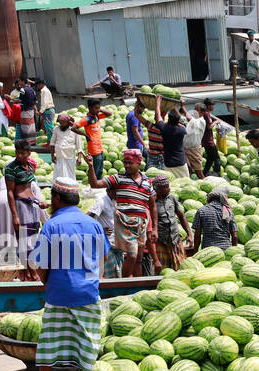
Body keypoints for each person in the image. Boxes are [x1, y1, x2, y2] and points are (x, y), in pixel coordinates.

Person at [25, 178, 109, 371]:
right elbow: (104, 256)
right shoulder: (93, 224)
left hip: (59, 291)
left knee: (50, 337)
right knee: (88, 336)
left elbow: (41, 264)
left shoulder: (52, 225)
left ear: (57, 198)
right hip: (88, 292)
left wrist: (47, 283)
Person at [88, 148, 158, 277]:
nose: (126, 165)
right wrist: (91, 166)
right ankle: (123, 283)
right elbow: (95, 184)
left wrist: (154, 228)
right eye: (125, 162)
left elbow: (153, 206)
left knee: (139, 258)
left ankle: (137, 285)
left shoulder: (148, 182)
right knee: (131, 256)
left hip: (141, 224)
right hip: (124, 222)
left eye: (130, 163)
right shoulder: (118, 178)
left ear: (138, 163)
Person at [5, 140, 44, 277]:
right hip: (21, 205)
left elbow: (30, 189)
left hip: (32, 204)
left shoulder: (30, 167)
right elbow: (10, 192)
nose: (19, 155)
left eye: (22, 153)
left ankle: (30, 269)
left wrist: (39, 202)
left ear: (29, 153)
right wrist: (15, 215)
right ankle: (28, 271)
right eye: (17, 152)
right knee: (23, 239)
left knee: (33, 238)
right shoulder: (11, 168)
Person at [151, 175, 188, 272]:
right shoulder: (152, 202)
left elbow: (181, 216)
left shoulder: (172, 198)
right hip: (162, 242)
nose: (169, 188)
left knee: (180, 270)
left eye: (168, 185)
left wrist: (189, 234)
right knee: (164, 271)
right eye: (166, 187)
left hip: (175, 240)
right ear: (158, 189)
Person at [190, 188, 238, 253]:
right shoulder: (228, 212)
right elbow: (234, 236)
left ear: (210, 198)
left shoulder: (202, 211)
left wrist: (196, 251)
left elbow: (197, 235)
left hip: (208, 251)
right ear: (223, 199)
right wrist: (232, 252)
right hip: (226, 250)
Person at [42, 113, 82, 186]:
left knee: (70, 176)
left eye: (63, 123)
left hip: (70, 158)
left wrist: (79, 157)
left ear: (68, 122)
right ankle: (58, 190)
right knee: (58, 176)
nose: (62, 125)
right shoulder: (56, 129)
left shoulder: (75, 130)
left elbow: (79, 145)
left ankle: (70, 190)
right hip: (59, 157)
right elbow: (52, 143)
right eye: (60, 123)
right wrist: (52, 156)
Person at [184, 106, 206, 178]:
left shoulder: (201, 121)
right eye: (194, 109)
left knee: (198, 172)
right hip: (185, 149)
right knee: (187, 170)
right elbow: (183, 119)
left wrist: (182, 106)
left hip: (194, 150)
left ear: (202, 113)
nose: (194, 111)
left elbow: (189, 118)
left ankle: (204, 183)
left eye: (197, 110)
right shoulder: (193, 119)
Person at [200, 99, 221, 176]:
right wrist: (216, 122)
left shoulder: (204, 113)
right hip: (209, 141)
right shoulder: (206, 114)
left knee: (210, 158)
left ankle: (204, 173)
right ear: (209, 106)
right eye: (212, 105)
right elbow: (209, 126)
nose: (213, 107)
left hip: (205, 140)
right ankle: (217, 173)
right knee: (217, 158)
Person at [16, 77, 37, 142]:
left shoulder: (22, 90)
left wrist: (11, 99)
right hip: (31, 111)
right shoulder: (32, 89)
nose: (18, 83)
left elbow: (20, 100)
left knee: (25, 127)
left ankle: (26, 142)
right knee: (31, 126)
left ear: (23, 81)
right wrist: (35, 110)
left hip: (25, 110)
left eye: (19, 81)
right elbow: (35, 101)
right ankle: (32, 141)